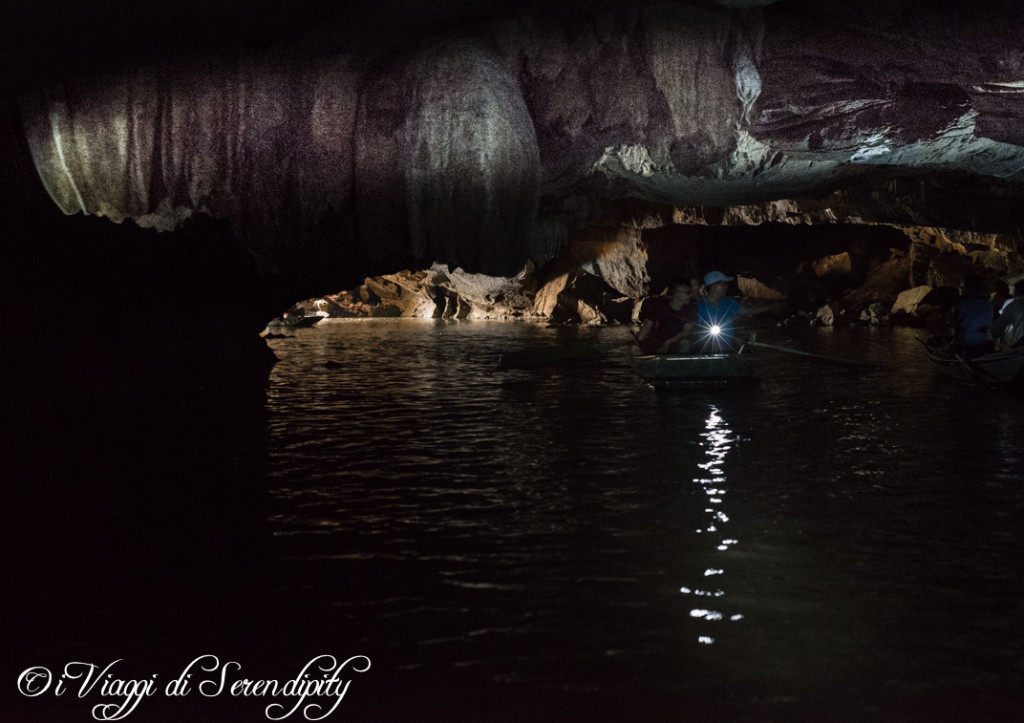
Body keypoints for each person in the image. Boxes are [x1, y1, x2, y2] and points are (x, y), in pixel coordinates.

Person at [694, 270, 781, 352]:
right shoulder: (700, 306)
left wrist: (768, 307)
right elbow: (695, 328)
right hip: (708, 344)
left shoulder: (727, 302)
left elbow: (747, 311)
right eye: (722, 284)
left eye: (726, 284)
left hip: (727, 342)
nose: (726, 287)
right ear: (713, 286)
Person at [636, 278, 699, 354]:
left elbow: (685, 332)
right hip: (659, 341)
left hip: (677, 342)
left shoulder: (690, 310)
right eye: (687, 293)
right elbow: (646, 326)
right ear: (677, 294)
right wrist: (638, 344)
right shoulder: (659, 306)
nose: (690, 295)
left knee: (684, 343)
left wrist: (668, 342)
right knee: (634, 347)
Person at [952, 272, 995, 357]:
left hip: (969, 345)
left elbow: (957, 328)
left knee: (952, 345)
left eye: (962, 285)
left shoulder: (959, 304)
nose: (959, 287)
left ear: (967, 288)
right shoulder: (989, 303)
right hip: (989, 344)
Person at [991, 271, 1024, 349]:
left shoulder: (1013, 304)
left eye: (1010, 284)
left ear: (1016, 287)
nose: (1008, 286)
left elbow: (998, 328)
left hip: (1018, 346)